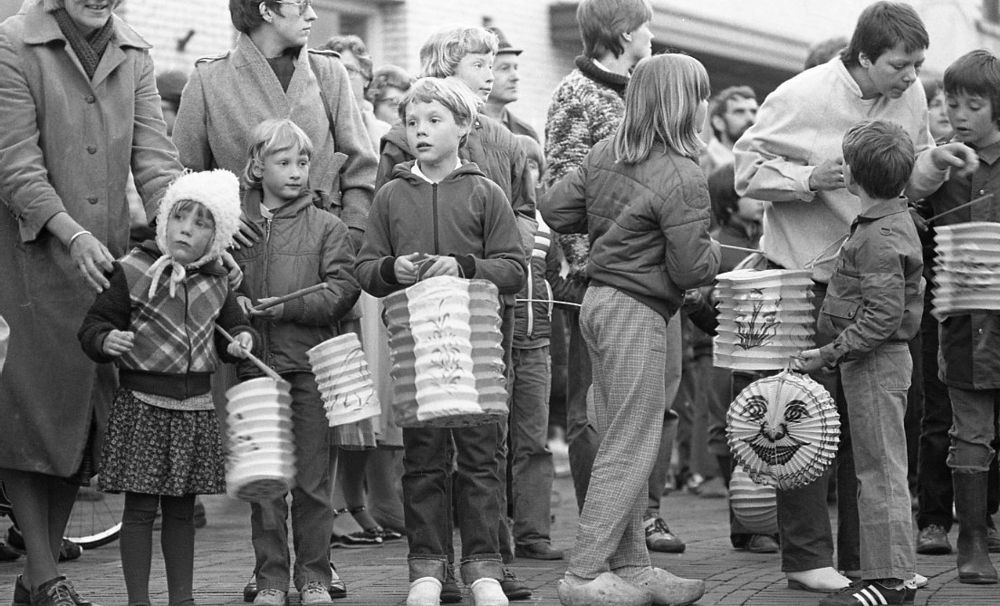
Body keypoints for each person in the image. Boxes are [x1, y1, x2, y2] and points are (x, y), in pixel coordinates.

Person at [734, 1, 978, 592]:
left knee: (870, 432)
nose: (912, 78)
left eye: (917, 64)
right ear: (865, 57)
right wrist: (809, 178)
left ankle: (865, 561)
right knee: (803, 421)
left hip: (874, 276)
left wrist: (935, 162)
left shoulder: (910, 95)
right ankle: (806, 559)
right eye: (899, 65)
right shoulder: (800, 94)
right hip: (803, 278)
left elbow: (908, 174)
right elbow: (745, 172)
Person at [0, 1, 185, 605]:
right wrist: (69, 231)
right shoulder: (13, 43)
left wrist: (191, 229)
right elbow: (15, 162)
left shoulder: (133, 51)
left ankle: (37, 580)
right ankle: (45, 575)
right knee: (29, 417)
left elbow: (155, 160)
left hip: (101, 263)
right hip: (27, 259)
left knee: (77, 424)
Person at [542, 53, 716, 606]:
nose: (706, 105)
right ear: (684, 105)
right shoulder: (684, 173)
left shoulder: (603, 153)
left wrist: (609, 219)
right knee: (631, 444)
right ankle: (584, 573)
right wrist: (714, 252)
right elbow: (691, 269)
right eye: (701, 95)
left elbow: (555, 208)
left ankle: (633, 567)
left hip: (596, 304)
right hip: (636, 313)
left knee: (620, 436)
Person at [374, 24, 537, 601]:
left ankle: (484, 567)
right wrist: (391, 270)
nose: (419, 131)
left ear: (464, 127)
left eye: (433, 120)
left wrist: (464, 266)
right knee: (422, 458)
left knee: (480, 456)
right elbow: (366, 267)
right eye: (412, 121)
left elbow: (513, 267)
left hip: (477, 349)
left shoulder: (487, 192)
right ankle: (427, 568)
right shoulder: (390, 196)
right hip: (417, 347)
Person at [78, 169, 254, 606]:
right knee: (140, 510)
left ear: (218, 236)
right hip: (143, 405)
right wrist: (105, 340)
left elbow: (232, 329)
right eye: (179, 217)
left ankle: (183, 599)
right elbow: (94, 325)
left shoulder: (218, 281)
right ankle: (139, 600)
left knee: (181, 512)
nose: (186, 229)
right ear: (164, 220)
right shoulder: (131, 270)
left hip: (194, 407)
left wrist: (241, 341)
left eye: (201, 223)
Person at [232, 119, 361, 606]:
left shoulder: (328, 225)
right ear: (256, 166)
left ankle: (314, 577)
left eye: (302, 162)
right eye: (283, 162)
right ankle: (269, 578)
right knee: (265, 486)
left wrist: (288, 308)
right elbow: (215, 283)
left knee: (312, 482)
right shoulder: (233, 227)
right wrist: (234, 304)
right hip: (254, 370)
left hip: (310, 368)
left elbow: (343, 289)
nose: (295, 172)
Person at [794, 119, 923, 606]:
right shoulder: (882, 224)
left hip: (876, 366)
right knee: (876, 470)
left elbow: (883, 317)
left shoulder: (879, 235)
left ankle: (892, 582)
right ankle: (885, 573)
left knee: (880, 473)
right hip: (872, 364)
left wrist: (829, 352)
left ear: (854, 175)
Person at [173, 0, 377, 254]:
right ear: (266, 10)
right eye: (300, 4)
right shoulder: (209, 78)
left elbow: (361, 168)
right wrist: (219, 215)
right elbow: (185, 176)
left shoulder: (329, 72)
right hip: (241, 255)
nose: (312, 15)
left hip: (326, 253)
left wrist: (351, 234)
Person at [921, 48, 1000, 585]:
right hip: (961, 324)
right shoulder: (938, 166)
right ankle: (970, 540)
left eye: (974, 105)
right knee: (968, 432)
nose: (959, 115)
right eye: (952, 104)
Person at [482, 26, 539, 141]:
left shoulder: (527, 133)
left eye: (515, 68)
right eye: (504, 68)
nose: (515, 77)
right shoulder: (463, 128)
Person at [700, 85, 758, 177]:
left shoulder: (765, 164)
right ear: (718, 122)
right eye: (739, 112)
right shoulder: (700, 168)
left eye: (754, 112)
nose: (750, 118)